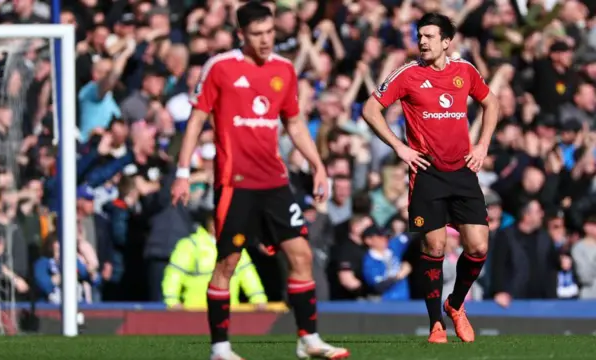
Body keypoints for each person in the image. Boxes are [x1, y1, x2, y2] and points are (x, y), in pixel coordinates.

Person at [171, 3, 349, 360]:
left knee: (301, 255)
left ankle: (308, 340)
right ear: (242, 35)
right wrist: (183, 172)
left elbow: (295, 123)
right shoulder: (220, 67)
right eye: (257, 34)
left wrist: (317, 165)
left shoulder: (284, 69)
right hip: (235, 183)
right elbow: (195, 121)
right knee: (228, 262)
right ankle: (220, 348)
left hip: (276, 182)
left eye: (270, 32)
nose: (266, 40)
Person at [361, 13, 499, 344]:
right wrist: (399, 147)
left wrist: (482, 145)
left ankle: (455, 304)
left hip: (463, 171)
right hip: (427, 173)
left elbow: (491, 103)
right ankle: (436, 323)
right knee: (434, 246)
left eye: (429, 36)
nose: (422, 41)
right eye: (419, 35)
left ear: (446, 42)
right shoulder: (408, 74)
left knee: (478, 246)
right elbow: (370, 109)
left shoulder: (464, 71)